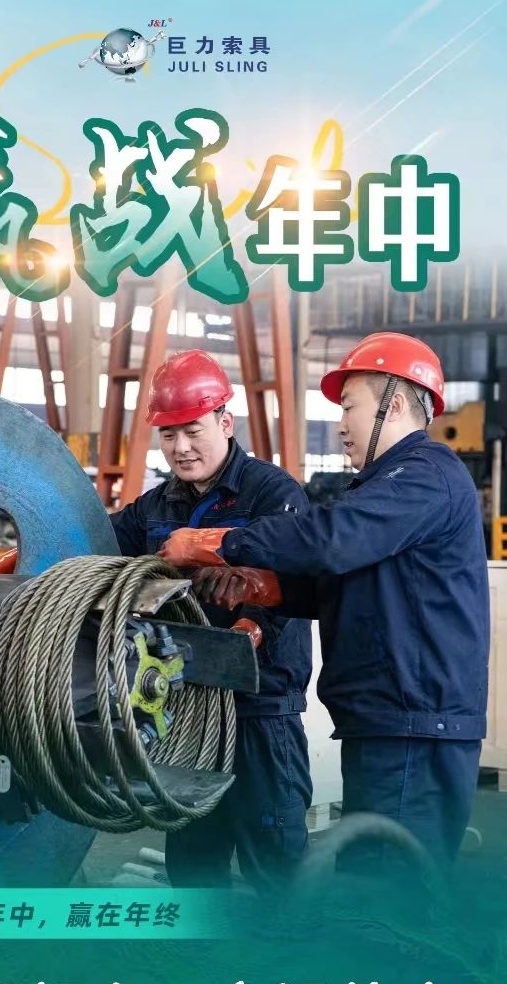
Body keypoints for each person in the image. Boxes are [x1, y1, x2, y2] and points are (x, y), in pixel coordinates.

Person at [161, 333, 490, 864]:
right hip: (387, 722)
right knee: (374, 878)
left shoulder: (425, 476)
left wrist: (218, 542)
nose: (340, 425)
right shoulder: (388, 486)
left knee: (389, 885)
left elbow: (333, 538)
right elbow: (354, 584)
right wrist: (268, 588)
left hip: (415, 725)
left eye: (350, 407)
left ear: (394, 405)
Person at [110, 349, 313, 890]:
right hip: (189, 713)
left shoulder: (273, 494)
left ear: (226, 422)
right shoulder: (155, 507)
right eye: (168, 434)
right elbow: (94, 542)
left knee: (276, 864)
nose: (180, 447)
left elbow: (294, 581)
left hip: (261, 711)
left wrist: (248, 628)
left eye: (192, 430)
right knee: (194, 863)